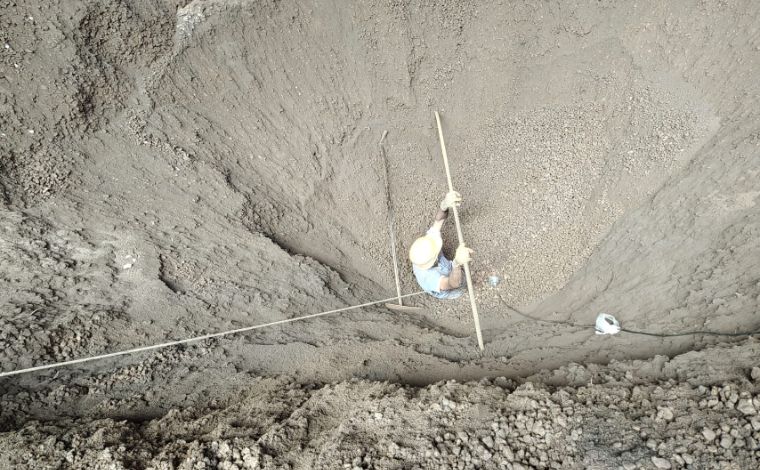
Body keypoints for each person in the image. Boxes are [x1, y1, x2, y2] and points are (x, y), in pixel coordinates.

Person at [409, 191, 474, 299]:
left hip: (445, 268)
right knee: (461, 286)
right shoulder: (429, 278)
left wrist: (444, 205)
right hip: (450, 289)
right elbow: (452, 284)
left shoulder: (427, 246)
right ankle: (463, 288)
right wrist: (457, 263)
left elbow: (439, 220)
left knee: (453, 270)